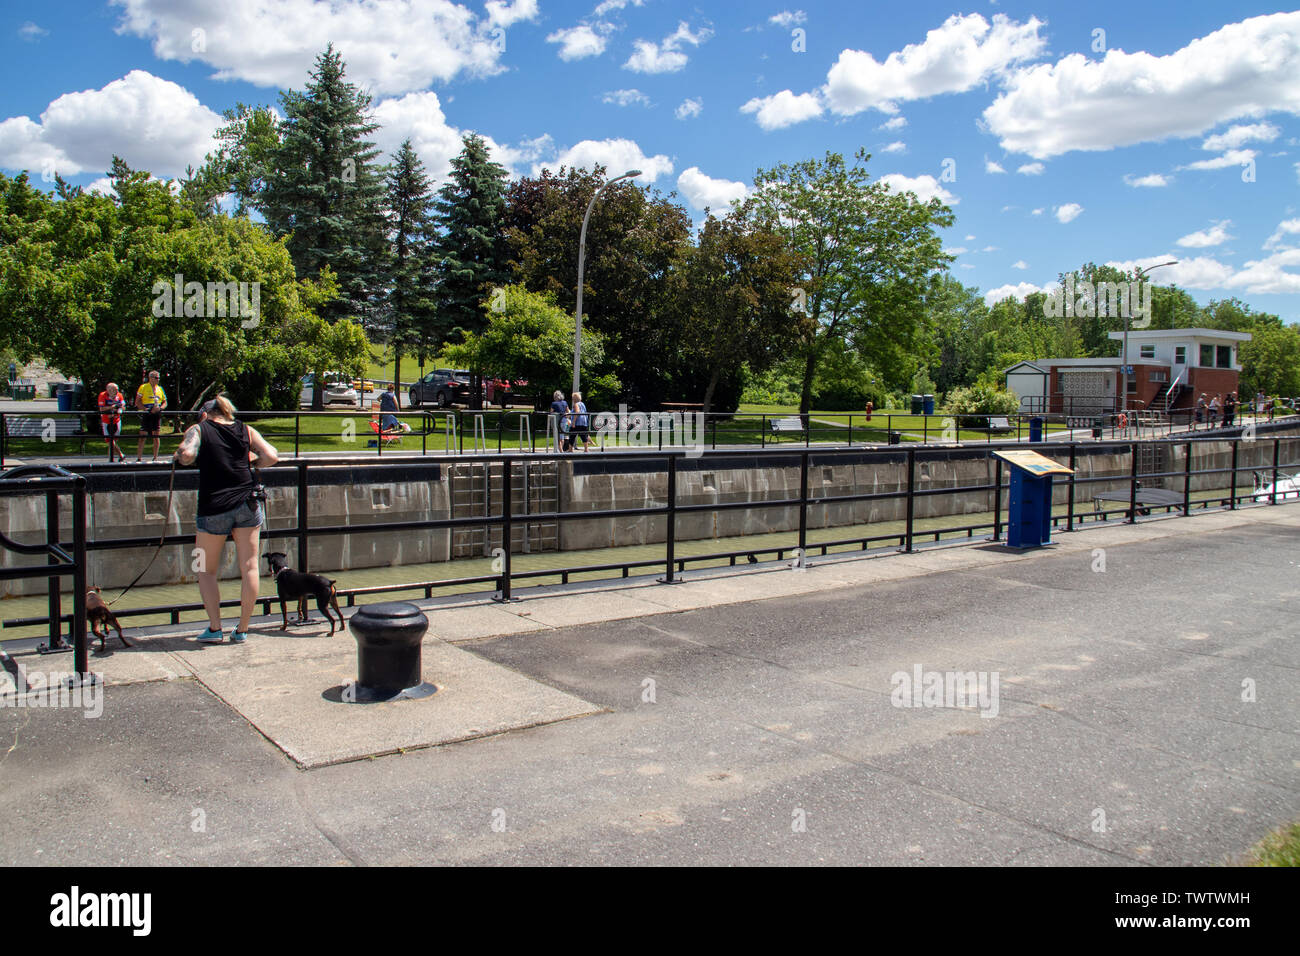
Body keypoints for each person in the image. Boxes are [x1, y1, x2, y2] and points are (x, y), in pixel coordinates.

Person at [176, 396, 279, 645]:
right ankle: (242, 629)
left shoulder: (198, 429)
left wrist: (179, 453)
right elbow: (272, 456)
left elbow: (188, 455)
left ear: (204, 414)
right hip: (247, 503)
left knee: (205, 569)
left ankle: (214, 628)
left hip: (213, 507)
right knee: (250, 567)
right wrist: (251, 461)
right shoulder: (246, 429)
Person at [134, 370, 168, 462]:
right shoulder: (143, 387)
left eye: (159, 378)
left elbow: (165, 402)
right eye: (156, 378)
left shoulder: (160, 388)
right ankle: (139, 458)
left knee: (156, 435)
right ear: (150, 378)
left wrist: (160, 408)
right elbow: (137, 402)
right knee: (142, 436)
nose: (158, 380)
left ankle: (155, 457)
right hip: (147, 412)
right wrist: (145, 410)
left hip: (156, 413)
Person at [97, 382, 126, 462]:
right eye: (115, 390)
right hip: (106, 421)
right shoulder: (103, 395)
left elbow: (123, 406)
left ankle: (111, 459)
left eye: (117, 390)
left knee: (114, 441)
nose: (117, 391)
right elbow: (102, 409)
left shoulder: (119, 395)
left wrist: (119, 410)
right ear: (109, 390)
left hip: (116, 420)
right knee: (109, 440)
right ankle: (120, 455)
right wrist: (112, 407)